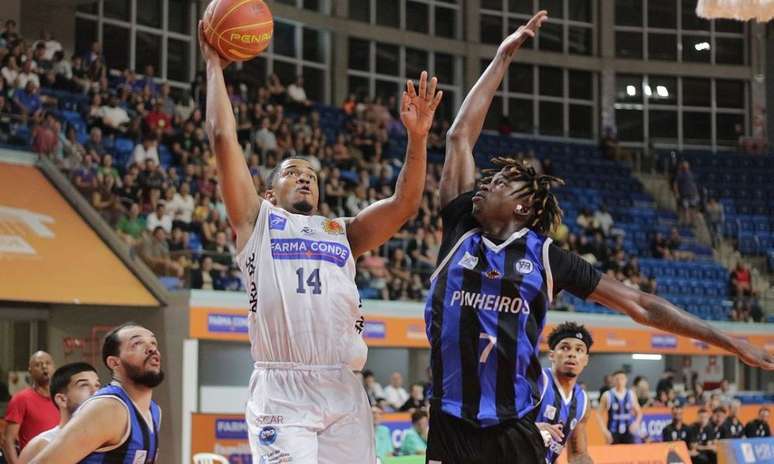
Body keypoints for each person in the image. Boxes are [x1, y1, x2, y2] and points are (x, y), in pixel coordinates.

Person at [423, 10, 773, 461]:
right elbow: (458, 138)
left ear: (523, 207)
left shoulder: (547, 257)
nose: (487, 183)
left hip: (511, 429)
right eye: (488, 179)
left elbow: (642, 305)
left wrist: (729, 340)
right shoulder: (460, 230)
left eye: (501, 183)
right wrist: (501, 59)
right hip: (448, 424)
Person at [199, 21, 443, 464]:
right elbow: (222, 138)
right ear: (271, 192)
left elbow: (404, 204)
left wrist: (418, 139)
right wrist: (214, 65)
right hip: (283, 387)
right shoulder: (258, 220)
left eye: (311, 175)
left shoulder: (342, 231)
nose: (305, 177)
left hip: (344, 385)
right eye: (293, 172)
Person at [29, 323, 162, 464]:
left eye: (153, 343)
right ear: (114, 363)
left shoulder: (154, 411)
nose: (152, 349)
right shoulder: (107, 408)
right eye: (137, 343)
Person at [17, 363, 101, 464]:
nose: (96, 392)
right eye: (84, 385)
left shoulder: (106, 440)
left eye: (97, 385)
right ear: (61, 399)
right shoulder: (42, 444)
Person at [535, 322, 593, 464]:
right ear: (552, 355)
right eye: (565, 348)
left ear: (585, 360)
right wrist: (532, 429)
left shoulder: (583, 401)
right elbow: (498, 425)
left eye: (579, 350)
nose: (572, 354)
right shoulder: (535, 381)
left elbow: (578, 454)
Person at [2, 352, 58, 464]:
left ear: (54, 367)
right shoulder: (21, 399)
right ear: (30, 371)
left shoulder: (62, 399)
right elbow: (8, 440)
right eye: (38, 364)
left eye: (48, 363)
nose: (44, 367)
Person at [599, 371, 643, 444]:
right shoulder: (607, 395)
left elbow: (639, 412)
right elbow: (599, 414)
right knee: (613, 454)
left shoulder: (631, 394)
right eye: (617, 379)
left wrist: (636, 423)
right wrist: (604, 430)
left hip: (629, 431)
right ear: (613, 380)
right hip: (613, 431)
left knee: (630, 454)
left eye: (622, 378)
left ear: (626, 380)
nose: (620, 381)